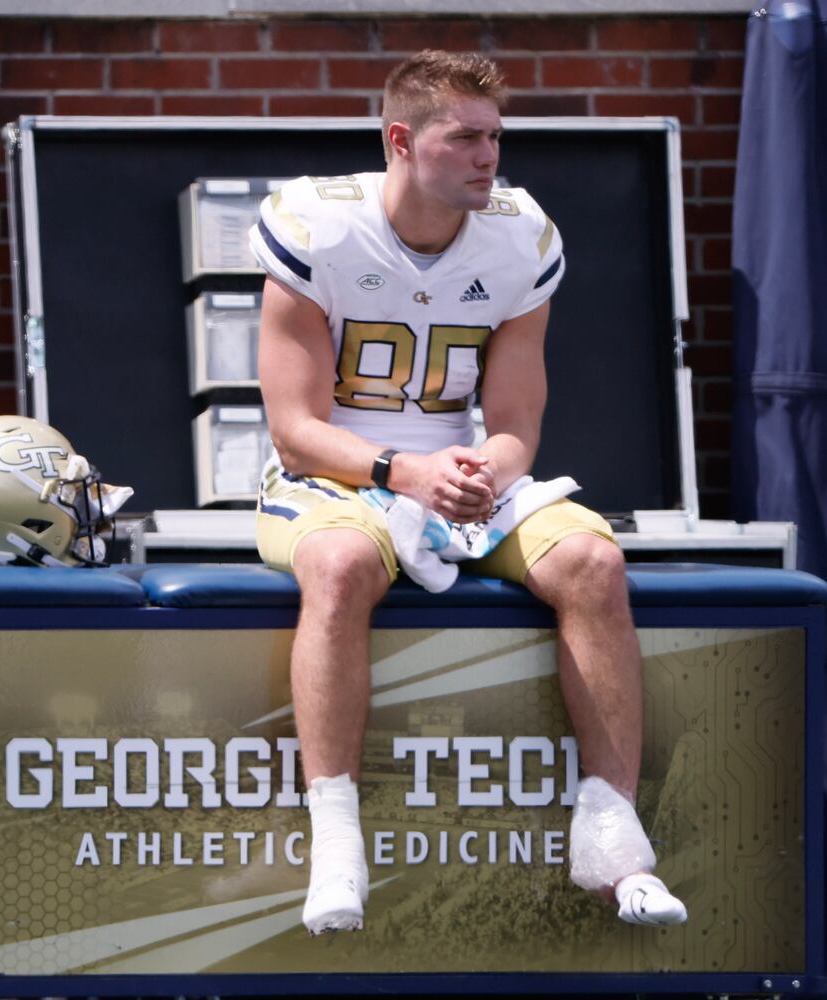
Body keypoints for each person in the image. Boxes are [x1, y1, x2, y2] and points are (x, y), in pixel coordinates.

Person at [248, 49, 687, 935]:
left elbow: (517, 414)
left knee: (594, 562)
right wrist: (401, 473)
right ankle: (335, 840)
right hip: (338, 475)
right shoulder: (317, 224)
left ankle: (610, 834)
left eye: (495, 137)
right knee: (335, 566)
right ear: (403, 141)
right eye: (466, 138)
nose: (489, 156)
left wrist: (485, 470)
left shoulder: (520, 236)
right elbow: (294, 426)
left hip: (462, 471)